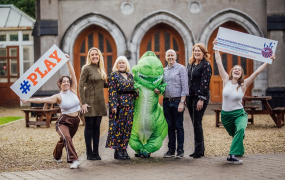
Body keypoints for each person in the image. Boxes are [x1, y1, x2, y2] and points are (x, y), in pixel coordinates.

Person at [213, 38, 275, 164]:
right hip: (226, 116)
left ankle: (232, 155)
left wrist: (268, 60)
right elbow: (219, 63)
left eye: (239, 70)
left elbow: (257, 72)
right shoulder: (226, 80)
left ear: (241, 74)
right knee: (237, 134)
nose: (237, 70)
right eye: (235, 69)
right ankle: (239, 148)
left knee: (240, 129)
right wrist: (216, 47)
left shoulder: (244, 84)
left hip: (239, 114)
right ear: (231, 72)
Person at [21, 55, 81, 169]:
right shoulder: (58, 96)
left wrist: (68, 61)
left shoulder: (73, 90)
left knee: (64, 140)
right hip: (64, 121)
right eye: (64, 82)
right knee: (67, 138)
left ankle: (56, 156)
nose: (66, 83)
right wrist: (28, 99)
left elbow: (73, 74)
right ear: (60, 84)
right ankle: (75, 160)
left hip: (75, 120)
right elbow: (43, 99)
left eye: (68, 81)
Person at [105, 56, 138, 160]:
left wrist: (137, 93)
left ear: (126, 64)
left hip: (130, 105)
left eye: (123, 63)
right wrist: (114, 105)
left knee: (127, 128)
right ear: (117, 65)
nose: (122, 65)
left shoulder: (130, 76)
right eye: (119, 63)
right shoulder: (113, 75)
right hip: (119, 106)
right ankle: (118, 151)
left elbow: (134, 89)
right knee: (118, 128)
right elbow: (112, 91)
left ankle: (124, 149)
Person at [79, 47, 107, 160]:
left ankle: (96, 152)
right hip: (89, 101)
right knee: (89, 127)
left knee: (97, 127)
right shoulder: (86, 68)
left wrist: (117, 82)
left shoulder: (101, 69)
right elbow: (80, 86)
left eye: (96, 54)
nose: (95, 56)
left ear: (99, 56)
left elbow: (103, 85)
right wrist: (83, 103)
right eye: (92, 55)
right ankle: (89, 153)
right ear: (89, 57)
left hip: (100, 102)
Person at [186, 43, 212, 158]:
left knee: (197, 122)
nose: (197, 53)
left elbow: (205, 82)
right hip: (190, 96)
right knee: (194, 122)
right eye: (195, 51)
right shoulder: (191, 64)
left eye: (199, 51)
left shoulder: (206, 65)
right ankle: (199, 149)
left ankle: (199, 151)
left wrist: (201, 99)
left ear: (203, 53)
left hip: (200, 96)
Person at [163, 49, 189, 159]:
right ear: (165, 57)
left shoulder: (181, 69)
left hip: (178, 101)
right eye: (168, 55)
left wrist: (182, 102)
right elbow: (161, 85)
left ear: (175, 56)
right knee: (170, 127)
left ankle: (180, 150)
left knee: (179, 126)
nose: (170, 57)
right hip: (166, 101)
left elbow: (185, 87)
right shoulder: (163, 70)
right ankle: (171, 150)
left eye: (172, 55)